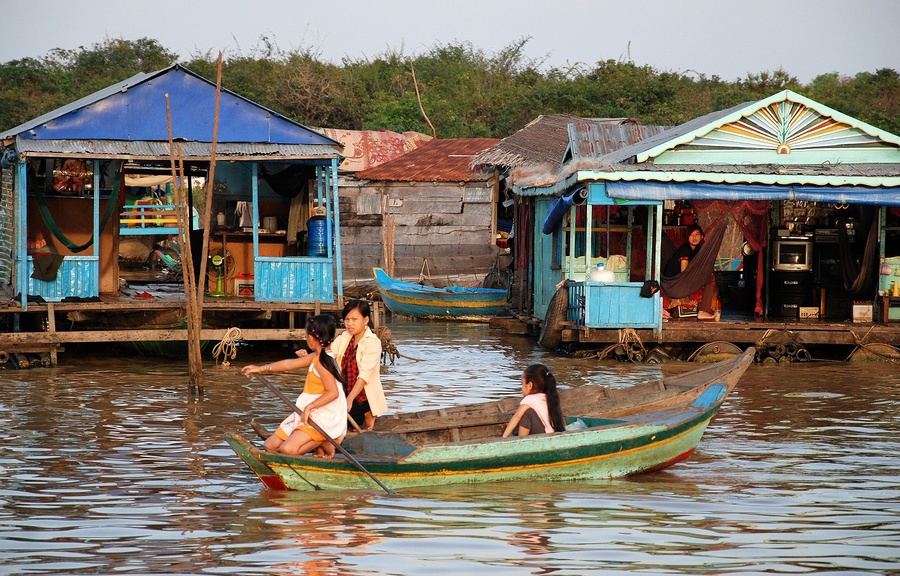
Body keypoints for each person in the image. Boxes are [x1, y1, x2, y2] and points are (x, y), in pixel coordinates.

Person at [241, 314, 347, 458]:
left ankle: (324, 442)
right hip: (309, 414)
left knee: (287, 450)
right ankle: (320, 443)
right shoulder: (316, 357)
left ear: (311, 337)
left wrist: (310, 407)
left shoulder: (324, 362)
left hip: (323, 416)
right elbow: (289, 364)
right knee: (269, 446)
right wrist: (261, 368)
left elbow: (333, 393)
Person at [330, 299, 387, 430]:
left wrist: (349, 399)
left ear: (365, 320)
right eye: (347, 319)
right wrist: (309, 357)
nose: (350, 324)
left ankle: (368, 413)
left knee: (335, 421)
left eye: (354, 319)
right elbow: (328, 354)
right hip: (344, 393)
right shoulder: (345, 337)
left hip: (362, 397)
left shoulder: (372, 342)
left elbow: (364, 376)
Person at [663, 224, 718, 320]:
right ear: (687, 237)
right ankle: (703, 311)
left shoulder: (697, 250)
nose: (694, 237)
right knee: (710, 278)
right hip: (675, 286)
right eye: (691, 235)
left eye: (697, 234)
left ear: (702, 236)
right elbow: (684, 272)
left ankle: (703, 311)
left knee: (710, 276)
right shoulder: (686, 249)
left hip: (679, 284)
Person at [502, 364, 566, 437]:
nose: (521, 388)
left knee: (526, 413)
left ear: (530, 385)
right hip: (552, 433)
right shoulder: (549, 397)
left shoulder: (530, 399)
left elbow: (517, 416)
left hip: (543, 435)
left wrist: (504, 437)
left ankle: (522, 441)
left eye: (522, 384)